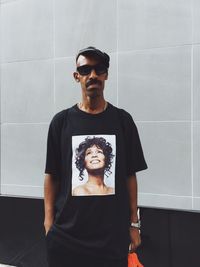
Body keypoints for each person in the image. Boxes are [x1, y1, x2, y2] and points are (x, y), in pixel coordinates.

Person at [44, 46, 147, 267]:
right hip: (66, 240)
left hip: (111, 241)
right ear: (76, 76)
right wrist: (48, 223)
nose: (92, 75)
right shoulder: (61, 123)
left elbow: (130, 176)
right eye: (85, 69)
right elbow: (52, 176)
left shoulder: (123, 121)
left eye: (99, 69)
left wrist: (134, 224)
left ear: (106, 75)